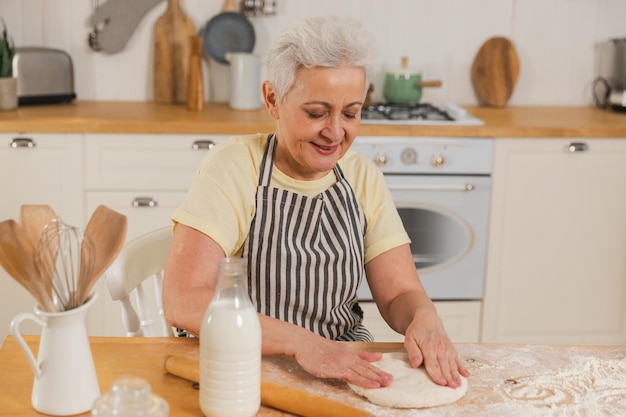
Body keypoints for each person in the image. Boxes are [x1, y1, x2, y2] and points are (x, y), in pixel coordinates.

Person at [162, 14, 469, 389]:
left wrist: (424, 316)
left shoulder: (361, 177)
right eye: (316, 113)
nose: (335, 132)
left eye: (351, 113)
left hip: (342, 367)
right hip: (243, 368)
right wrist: (301, 343)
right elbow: (183, 301)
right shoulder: (234, 168)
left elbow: (400, 293)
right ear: (273, 99)